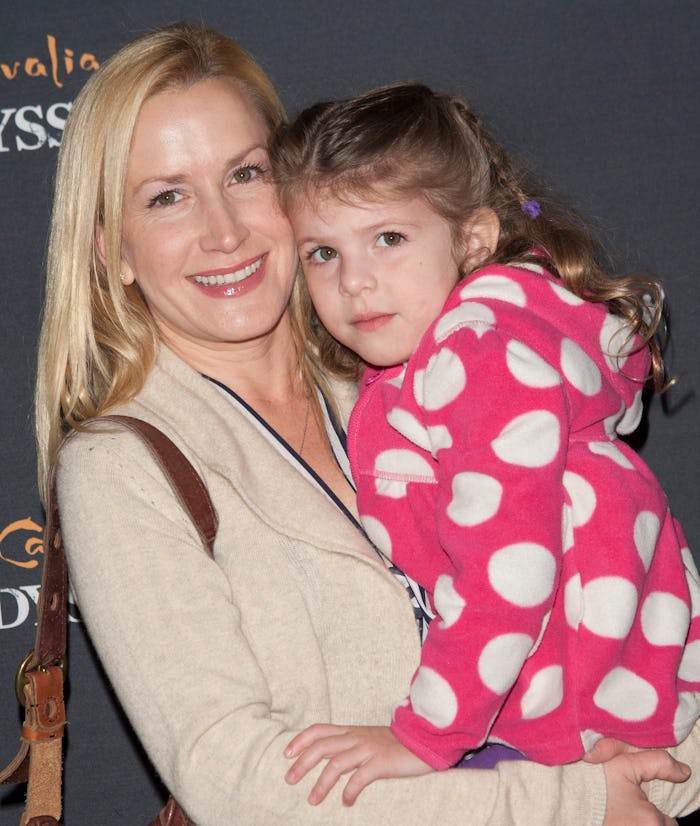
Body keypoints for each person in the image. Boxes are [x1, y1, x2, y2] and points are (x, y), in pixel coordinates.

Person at [34, 22, 699, 826]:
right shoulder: (124, 468)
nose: (224, 230)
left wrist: (658, 777)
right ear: (114, 251)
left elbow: (643, 620)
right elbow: (241, 785)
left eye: (245, 175)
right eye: (167, 196)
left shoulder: (424, 371)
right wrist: (573, 802)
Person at [269, 83, 700, 803]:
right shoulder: (450, 344)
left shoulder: (478, 358)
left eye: (388, 239)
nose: (355, 281)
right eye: (322, 252)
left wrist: (424, 736)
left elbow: (508, 569)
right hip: (579, 677)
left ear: (471, 238)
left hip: (576, 692)